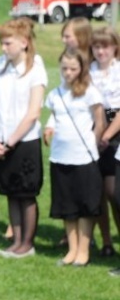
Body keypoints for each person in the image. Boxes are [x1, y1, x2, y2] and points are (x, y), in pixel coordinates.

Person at [0, 18, 48, 258]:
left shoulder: (36, 67)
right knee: (11, 191)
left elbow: (33, 112)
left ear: (23, 42)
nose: (3, 48)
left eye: (8, 43)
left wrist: (11, 141)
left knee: (26, 193)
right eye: (2, 43)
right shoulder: (1, 64)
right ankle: (16, 241)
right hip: (1, 139)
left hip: (24, 140)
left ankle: (27, 244)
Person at [43, 48, 104, 267]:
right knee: (67, 206)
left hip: (84, 157)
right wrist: (48, 128)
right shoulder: (55, 93)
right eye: (65, 68)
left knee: (85, 206)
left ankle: (83, 251)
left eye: (73, 69)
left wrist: (93, 141)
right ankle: (71, 249)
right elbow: (54, 116)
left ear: (81, 69)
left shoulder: (90, 92)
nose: (68, 73)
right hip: (60, 157)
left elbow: (99, 120)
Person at [89, 27, 120, 258]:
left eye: (105, 46)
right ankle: (106, 242)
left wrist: (106, 136)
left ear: (114, 48)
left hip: (114, 132)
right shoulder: (88, 71)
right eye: (97, 46)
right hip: (92, 129)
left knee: (113, 191)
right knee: (97, 189)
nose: (101, 51)